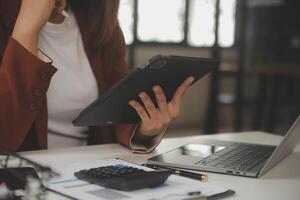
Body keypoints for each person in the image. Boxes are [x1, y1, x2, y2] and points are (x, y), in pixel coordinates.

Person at [0, 0, 194, 152]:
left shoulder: (97, 20)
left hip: (85, 174)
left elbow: (120, 107)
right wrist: (26, 30)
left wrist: (144, 129)